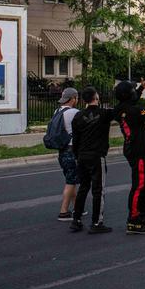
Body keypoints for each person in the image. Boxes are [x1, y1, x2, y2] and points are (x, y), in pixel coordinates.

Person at [116, 78, 145, 235]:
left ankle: (144, 216)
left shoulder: (121, 108)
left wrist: (140, 89)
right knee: (140, 185)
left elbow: (131, 99)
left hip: (137, 149)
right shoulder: (133, 111)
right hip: (138, 151)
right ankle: (134, 220)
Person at [70, 87, 118, 234]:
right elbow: (121, 109)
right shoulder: (104, 114)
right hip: (97, 156)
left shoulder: (78, 117)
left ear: (83, 99)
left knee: (83, 188)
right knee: (98, 190)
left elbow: (75, 140)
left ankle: (76, 220)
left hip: (82, 156)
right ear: (96, 97)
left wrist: (77, 156)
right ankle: (97, 222)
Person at [55, 87, 81, 222]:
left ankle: (78, 208)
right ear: (73, 99)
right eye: (76, 98)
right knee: (71, 182)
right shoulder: (74, 113)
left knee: (71, 180)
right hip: (72, 151)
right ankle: (63, 212)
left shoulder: (57, 111)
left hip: (62, 151)